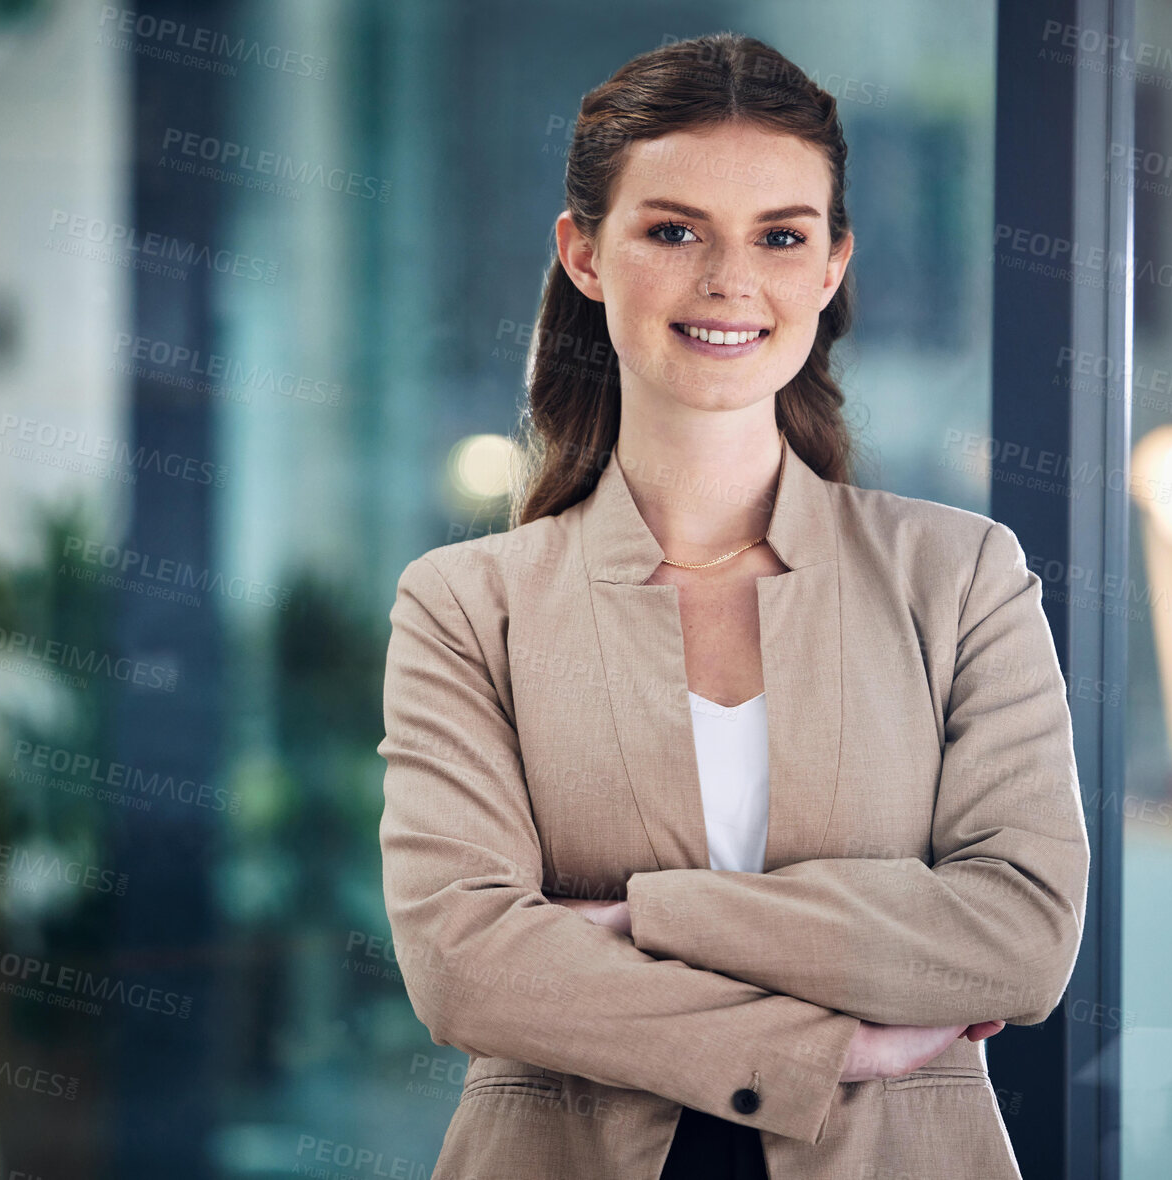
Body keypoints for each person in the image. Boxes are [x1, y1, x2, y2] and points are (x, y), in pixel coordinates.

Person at [377, 30, 1089, 1180]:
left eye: (780, 236)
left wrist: (647, 917)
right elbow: (464, 966)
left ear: (829, 267)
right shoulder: (468, 606)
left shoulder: (960, 577)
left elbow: (1018, 935)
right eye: (672, 230)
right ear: (584, 253)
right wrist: (835, 1044)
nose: (728, 282)